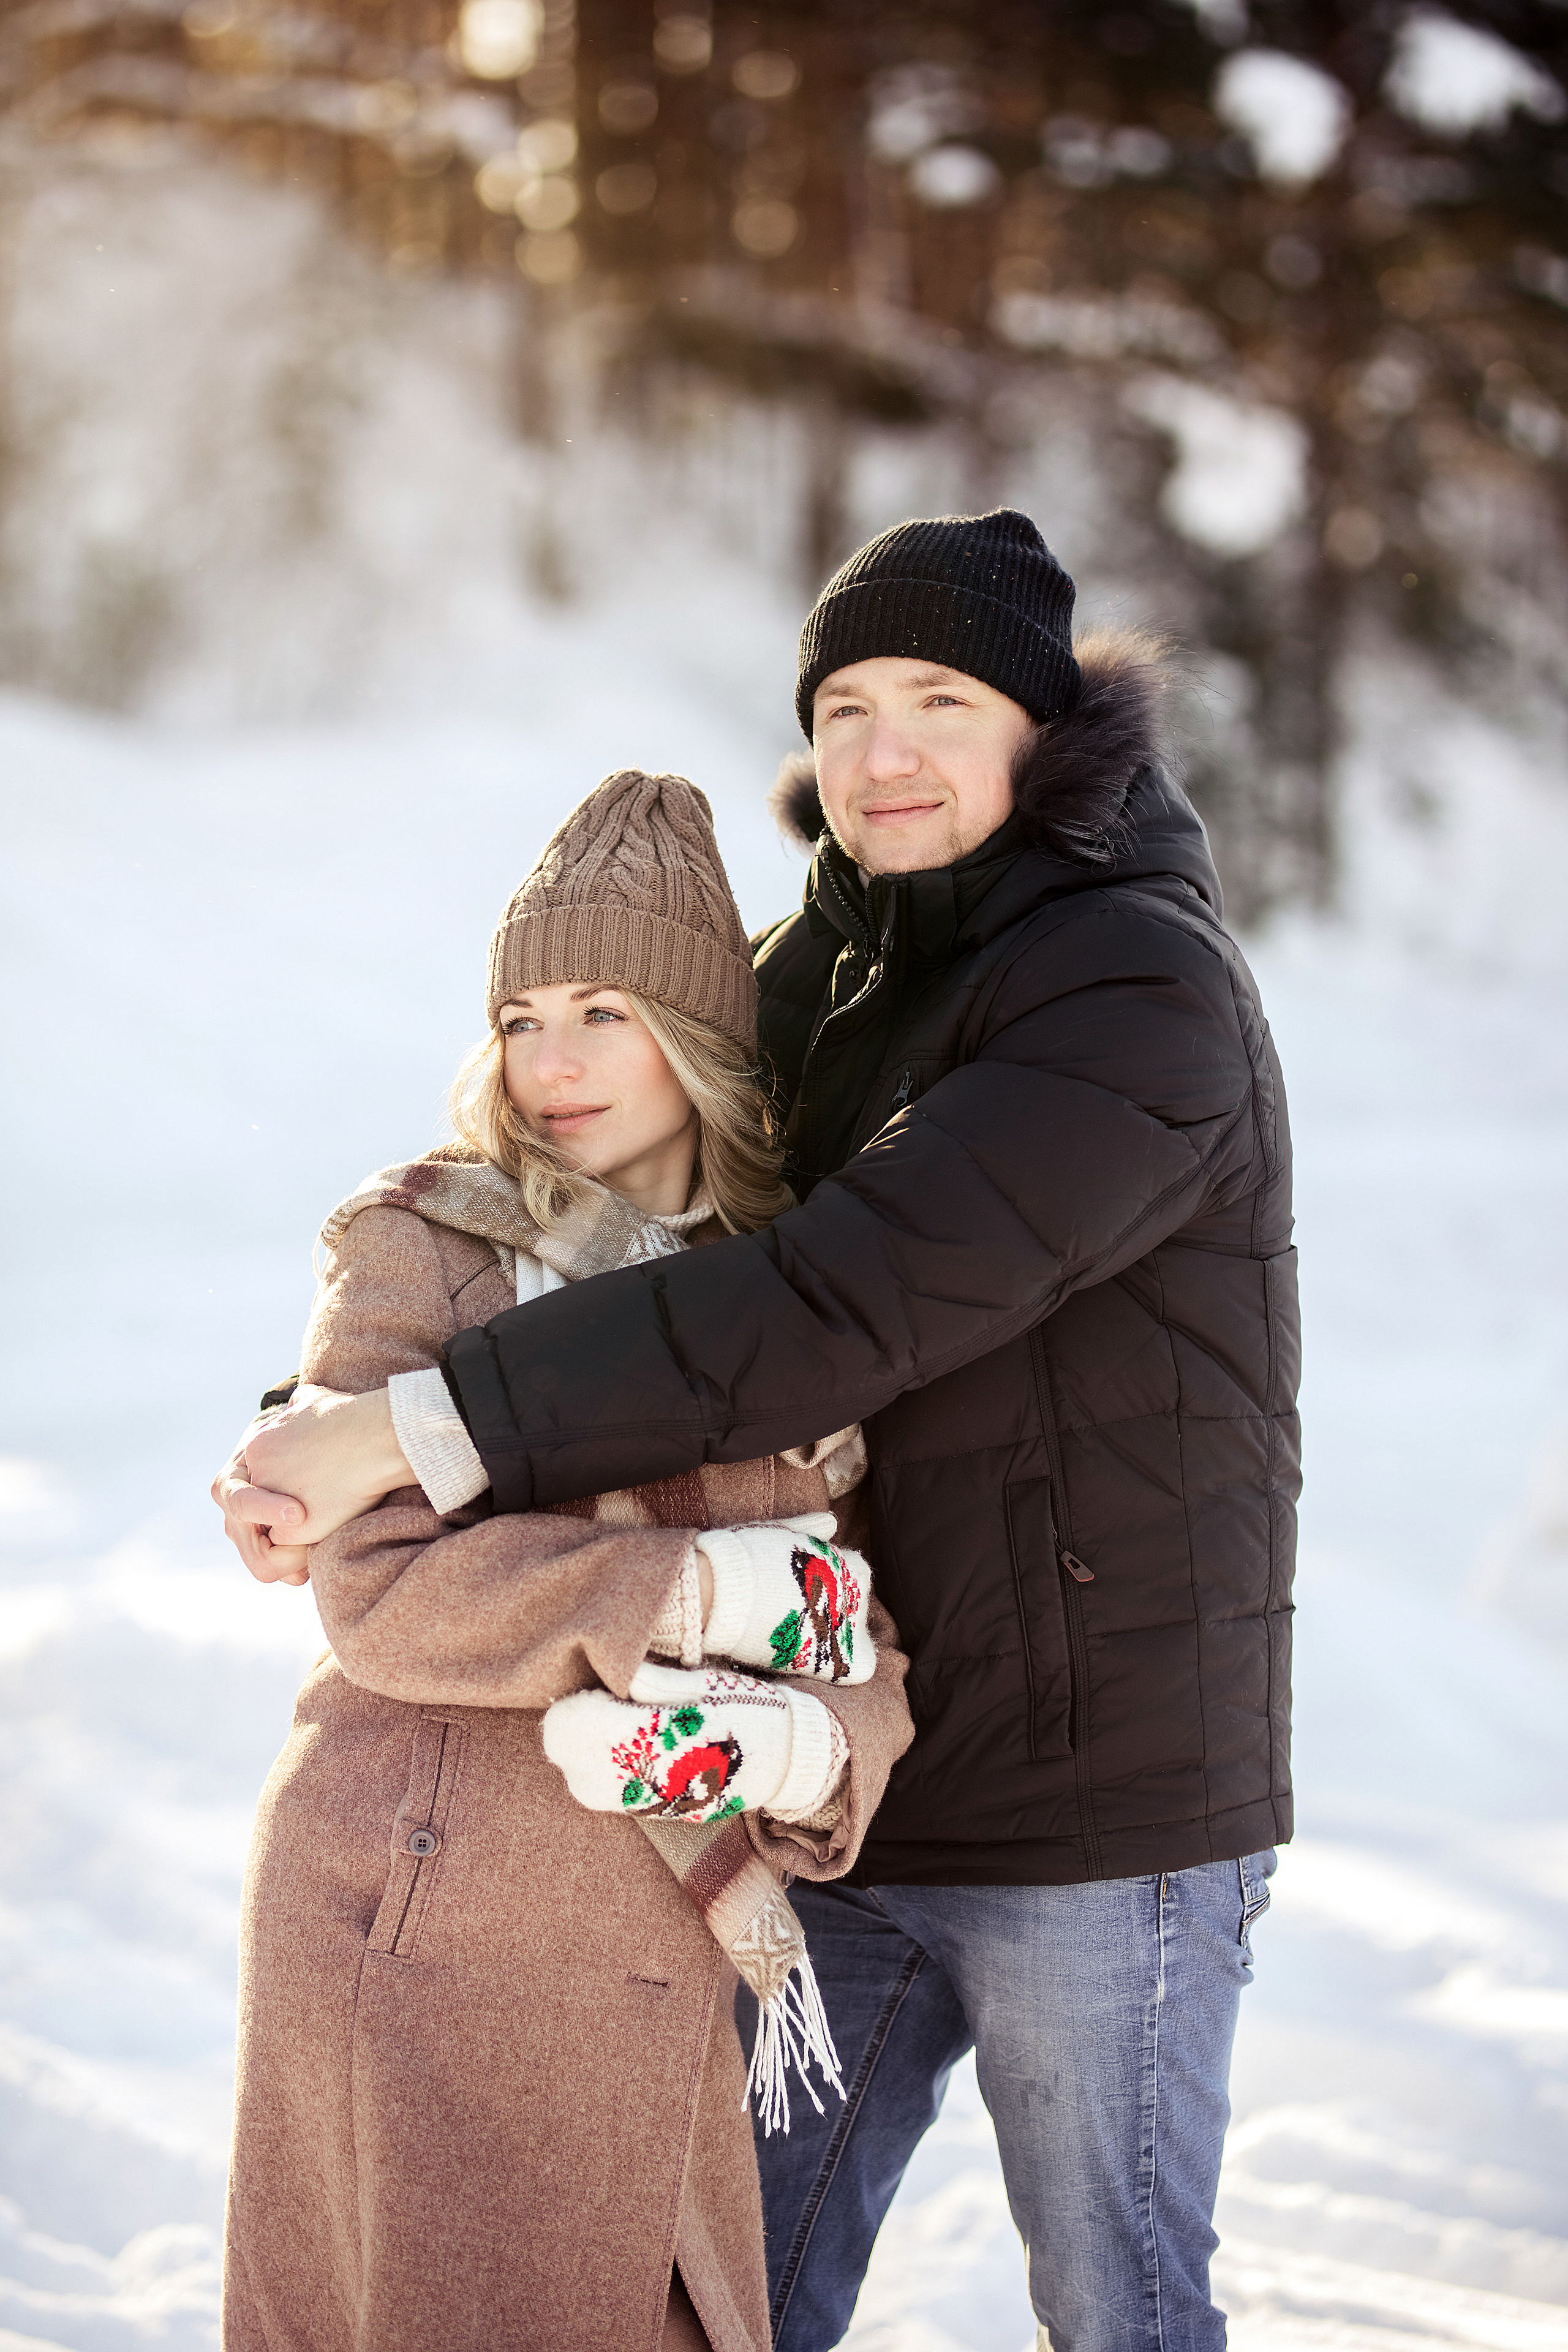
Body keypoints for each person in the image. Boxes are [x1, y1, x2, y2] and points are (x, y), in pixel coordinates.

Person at [219, 510, 1300, 2352]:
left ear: (1046, 732)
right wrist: (334, 1390)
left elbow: (828, 1308)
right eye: (847, 703)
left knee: (1118, 2308)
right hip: (838, 1786)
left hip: (1092, 1810)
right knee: (717, 2300)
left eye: (942, 701)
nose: (883, 750)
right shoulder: (838, 971)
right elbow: (610, 1168)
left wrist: (414, 1428)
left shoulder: (1136, 991)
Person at [221, 769, 913, 2352]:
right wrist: (686, 1603)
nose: (553, 1061)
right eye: (523, 1017)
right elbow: (378, 1584)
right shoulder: (429, 1242)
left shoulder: (791, 1296)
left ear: (698, 1036)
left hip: (664, 1947)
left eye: (601, 1009)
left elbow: (863, 1625)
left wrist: (816, 1743)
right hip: (409, 1907)